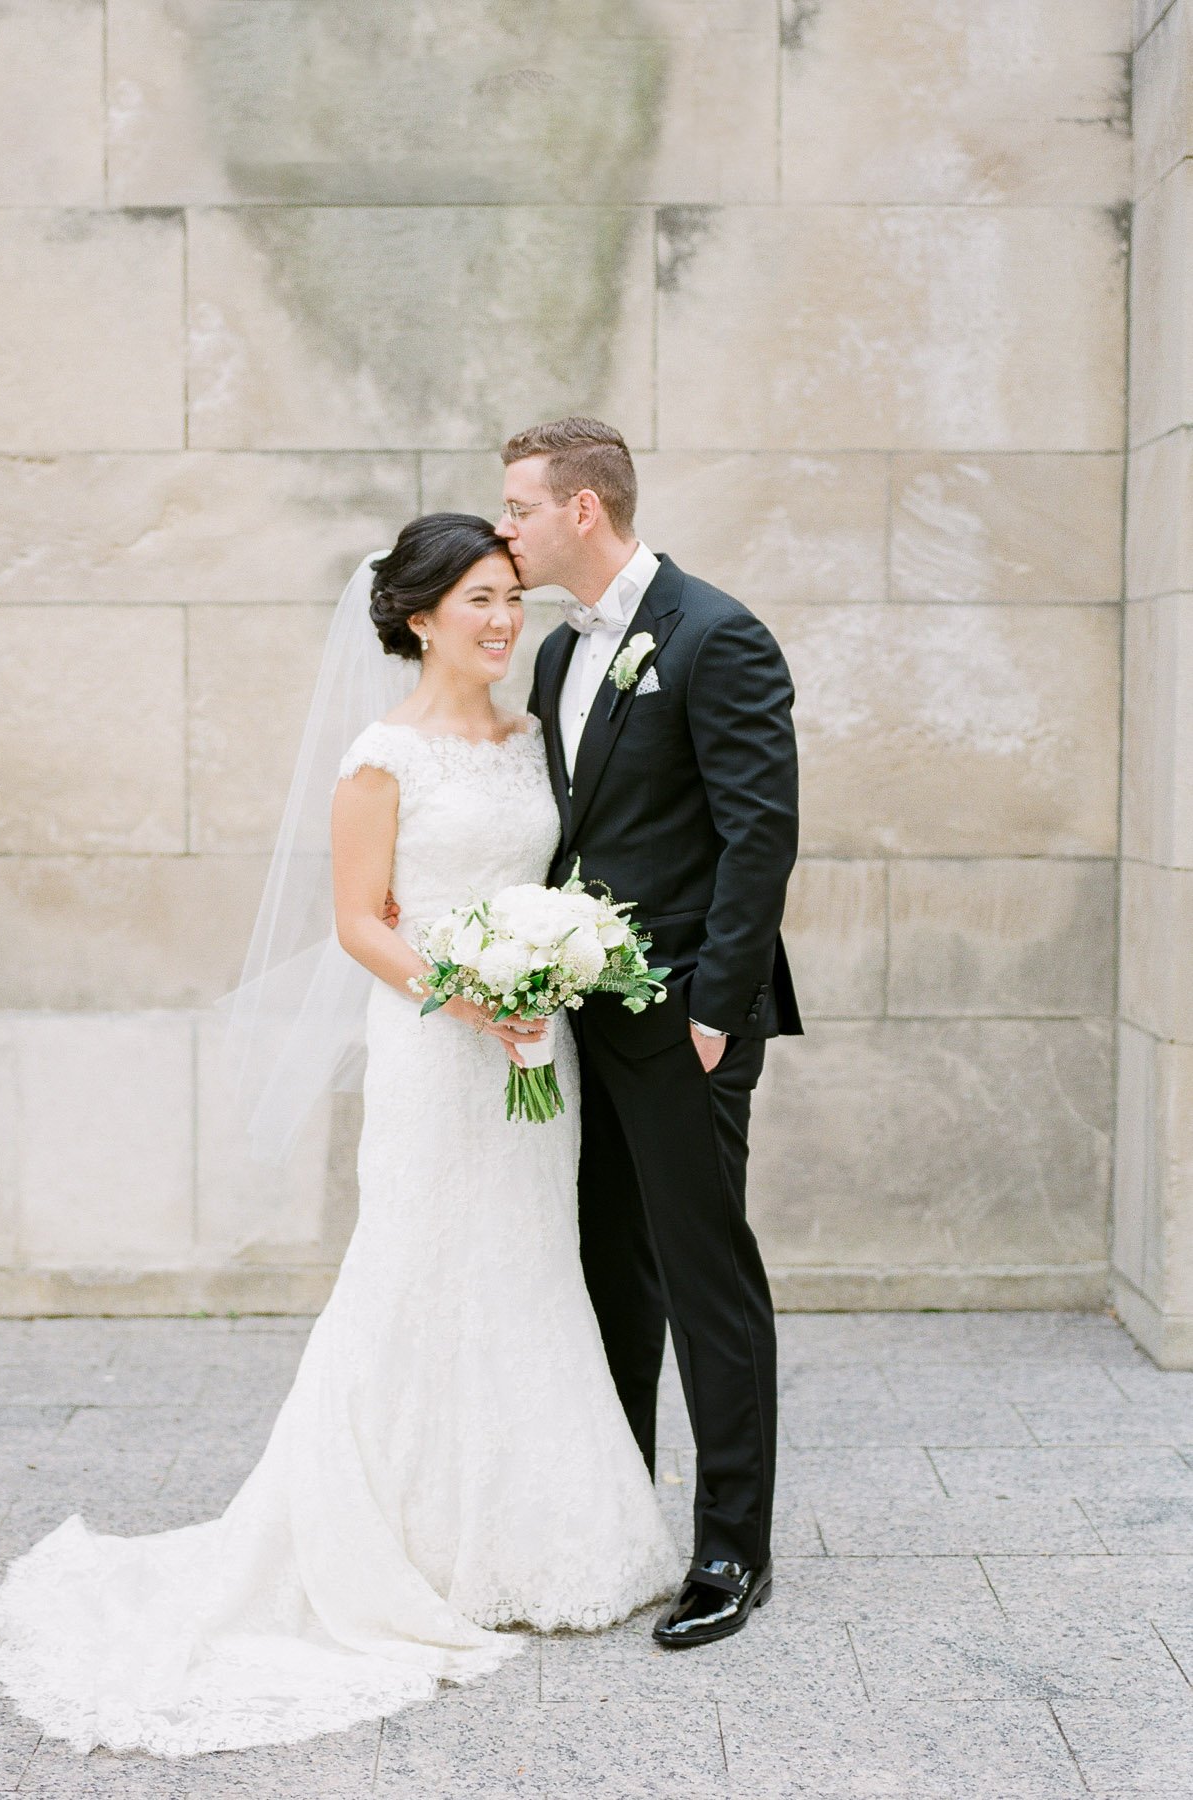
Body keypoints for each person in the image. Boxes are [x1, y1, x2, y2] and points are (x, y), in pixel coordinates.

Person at [0, 514, 681, 1758]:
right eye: (477, 598)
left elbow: (556, 886)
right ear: (418, 617)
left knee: (529, 1269)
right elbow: (360, 921)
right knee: (414, 1271)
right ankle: (392, 1543)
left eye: (510, 595)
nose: (503, 618)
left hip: (537, 1053)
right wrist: (479, 998)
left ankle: (535, 1538)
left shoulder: (533, 742)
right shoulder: (380, 755)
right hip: (436, 1042)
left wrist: (548, 982)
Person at [501, 416, 801, 1649]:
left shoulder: (714, 635)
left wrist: (715, 1016)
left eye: (519, 505)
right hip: (582, 1018)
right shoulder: (556, 654)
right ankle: (620, 1517)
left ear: (583, 509)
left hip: (684, 1019)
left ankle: (732, 1552)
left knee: (701, 1280)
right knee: (605, 1269)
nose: (504, 526)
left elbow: (758, 836)